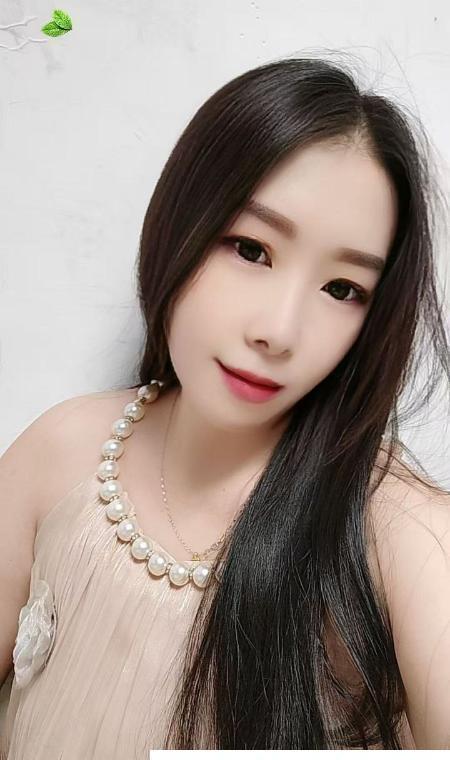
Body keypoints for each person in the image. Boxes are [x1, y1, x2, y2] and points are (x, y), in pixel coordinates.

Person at [1, 55, 449, 755]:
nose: (279, 331)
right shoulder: (62, 451)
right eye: (250, 249)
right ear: (182, 222)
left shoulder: (394, 525)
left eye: (342, 289)